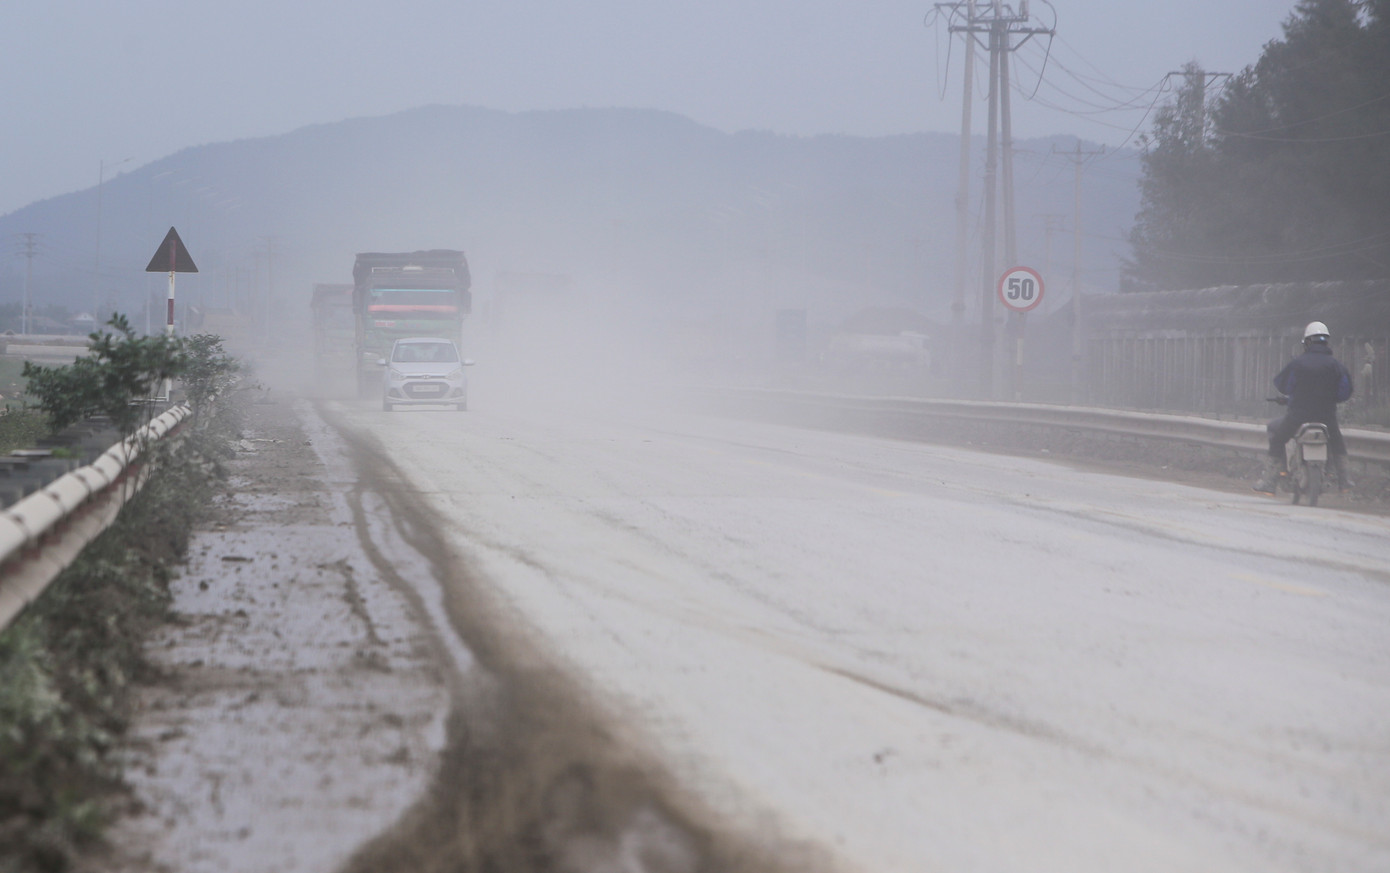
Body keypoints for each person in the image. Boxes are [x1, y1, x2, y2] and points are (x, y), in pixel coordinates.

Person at [1253, 321, 1354, 494]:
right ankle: (1344, 481)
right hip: (1326, 417)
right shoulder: (1337, 366)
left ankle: (1270, 481)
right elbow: (1345, 392)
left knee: (1278, 439)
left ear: (1307, 342)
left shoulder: (1297, 364)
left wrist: (1296, 395)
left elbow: (1283, 385)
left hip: (1298, 416)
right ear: (1326, 342)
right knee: (1337, 442)